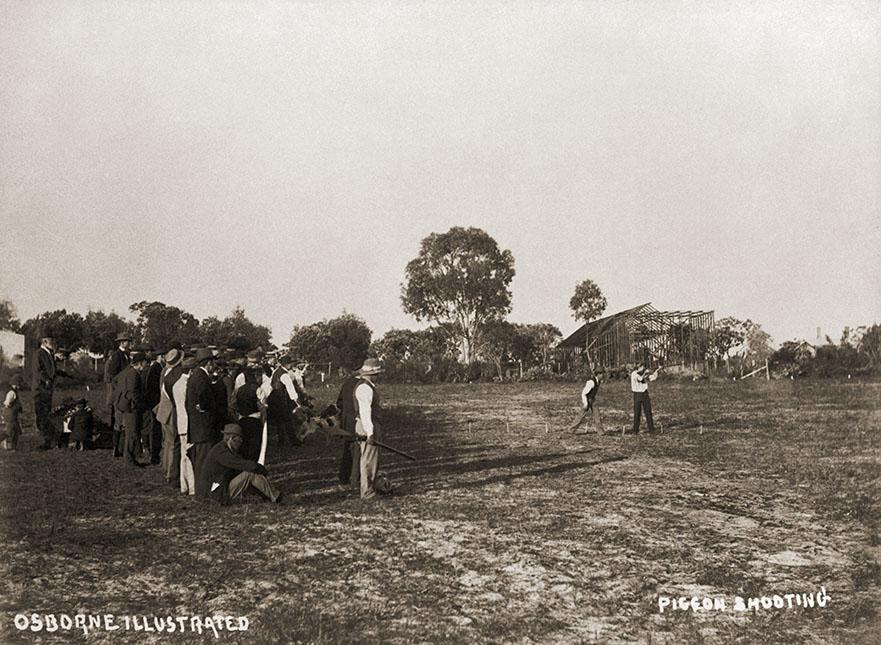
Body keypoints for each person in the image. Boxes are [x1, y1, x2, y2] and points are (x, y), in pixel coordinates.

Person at [202, 423, 282, 505]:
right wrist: (261, 469)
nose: (241, 442)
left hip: (217, 490)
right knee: (249, 474)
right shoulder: (221, 452)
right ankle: (276, 497)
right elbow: (244, 465)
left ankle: (270, 496)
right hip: (215, 494)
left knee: (249, 473)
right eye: (239, 440)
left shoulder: (222, 449)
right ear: (232, 438)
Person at [186, 348, 220, 497]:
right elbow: (203, 398)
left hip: (198, 425)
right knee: (203, 460)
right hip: (203, 426)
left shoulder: (195, 375)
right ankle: (202, 492)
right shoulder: (201, 377)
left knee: (201, 459)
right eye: (213, 362)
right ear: (208, 363)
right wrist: (206, 407)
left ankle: (202, 491)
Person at [351, 358, 384, 499]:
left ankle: (370, 486)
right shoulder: (364, 388)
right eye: (377, 373)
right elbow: (365, 412)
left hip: (367, 423)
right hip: (367, 424)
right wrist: (370, 432)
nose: (378, 376)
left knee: (370, 457)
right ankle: (367, 492)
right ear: (371, 374)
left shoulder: (367, 386)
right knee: (368, 458)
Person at [114, 351, 149, 466]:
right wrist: (140, 404)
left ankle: (129, 457)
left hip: (128, 406)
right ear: (140, 363)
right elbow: (132, 393)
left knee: (131, 432)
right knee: (132, 433)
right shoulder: (134, 374)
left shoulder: (130, 372)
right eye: (145, 362)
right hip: (131, 408)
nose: (146, 364)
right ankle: (129, 458)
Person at [156, 348, 183, 486]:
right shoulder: (176, 375)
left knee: (167, 443)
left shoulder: (165, 372)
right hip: (170, 412)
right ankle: (170, 473)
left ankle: (165, 468)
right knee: (173, 444)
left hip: (163, 411)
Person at [32, 334, 63, 450]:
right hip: (40, 390)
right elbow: (37, 371)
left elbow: (52, 371)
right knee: (42, 415)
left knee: (46, 414)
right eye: (51, 340)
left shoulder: (49, 353)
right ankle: (43, 442)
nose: (53, 342)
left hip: (47, 389)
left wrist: (66, 375)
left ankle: (48, 440)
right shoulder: (38, 354)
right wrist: (46, 380)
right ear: (44, 341)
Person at [104, 334, 131, 457]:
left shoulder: (126, 354)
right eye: (126, 341)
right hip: (120, 391)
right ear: (121, 343)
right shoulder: (116, 356)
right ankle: (116, 448)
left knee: (123, 420)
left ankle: (120, 447)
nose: (128, 343)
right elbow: (112, 375)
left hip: (124, 389)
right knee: (119, 420)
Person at [266, 354, 300, 449]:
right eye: (291, 363)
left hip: (274, 400)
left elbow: (270, 384)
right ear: (288, 364)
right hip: (282, 401)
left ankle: (281, 441)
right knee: (288, 421)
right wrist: (297, 403)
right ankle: (294, 442)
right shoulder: (285, 375)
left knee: (279, 422)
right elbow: (291, 390)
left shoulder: (276, 372)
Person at [232, 365, 265, 462]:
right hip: (255, 420)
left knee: (244, 445)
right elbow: (262, 407)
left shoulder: (238, 390)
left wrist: (237, 416)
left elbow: (232, 405)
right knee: (255, 446)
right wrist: (263, 422)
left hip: (242, 419)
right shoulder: (258, 389)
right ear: (256, 376)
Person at [173, 356, 196, 495]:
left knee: (183, 456)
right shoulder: (188, 386)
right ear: (191, 370)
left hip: (181, 422)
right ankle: (193, 487)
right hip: (188, 423)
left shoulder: (176, 384)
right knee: (190, 456)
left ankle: (184, 485)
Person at [335, 371, 361, 491]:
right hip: (357, 421)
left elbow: (339, 403)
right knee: (357, 451)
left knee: (348, 449)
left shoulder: (347, 383)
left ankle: (344, 477)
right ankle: (355, 479)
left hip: (347, 422)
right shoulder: (362, 385)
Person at [141, 350, 163, 464]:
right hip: (155, 403)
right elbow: (154, 388)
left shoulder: (150, 369)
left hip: (150, 403)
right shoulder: (157, 369)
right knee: (154, 429)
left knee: (150, 427)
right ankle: (153, 452)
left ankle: (148, 449)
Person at [630, 364, 661, 434]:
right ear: (638, 367)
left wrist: (657, 370)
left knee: (648, 412)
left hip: (644, 393)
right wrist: (645, 373)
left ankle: (651, 429)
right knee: (637, 412)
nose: (643, 368)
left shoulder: (643, 373)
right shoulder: (634, 374)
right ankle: (635, 430)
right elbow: (640, 379)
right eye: (641, 367)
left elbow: (652, 378)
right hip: (637, 394)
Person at [1, 375, 24, 450]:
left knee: (14, 430)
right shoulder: (11, 393)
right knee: (11, 431)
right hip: (10, 415)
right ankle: (7, 444)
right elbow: (7, 403)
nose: (20, 386)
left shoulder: (13, 392)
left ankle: (13, 446)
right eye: (19, 384)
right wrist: (11, 405)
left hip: (12, 415)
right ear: (16, 384)